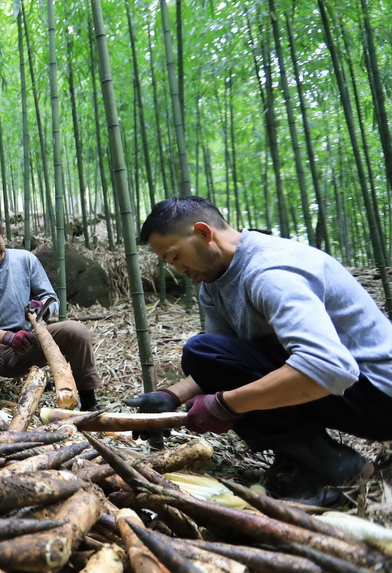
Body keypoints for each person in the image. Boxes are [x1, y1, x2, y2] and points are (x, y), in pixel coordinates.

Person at [130, 195, 392, 505]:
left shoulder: (271, 272)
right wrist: (170, 396)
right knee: (202, 354)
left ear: (203, 232)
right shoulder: (213, 282)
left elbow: (329, 367)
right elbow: (224, 365)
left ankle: (336, 469)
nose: (176, 269)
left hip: (379, 396)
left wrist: (225, 405)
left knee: (200, 352)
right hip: (346, 389)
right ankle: (301, 459)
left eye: (175, 257)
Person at [0, 209, 101, 411]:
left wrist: (42, 308)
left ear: (3, 232)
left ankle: (89, 401)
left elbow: (51, 299)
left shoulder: (25, 259)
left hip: (30, 342)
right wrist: (8, 338)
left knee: (77, 331)